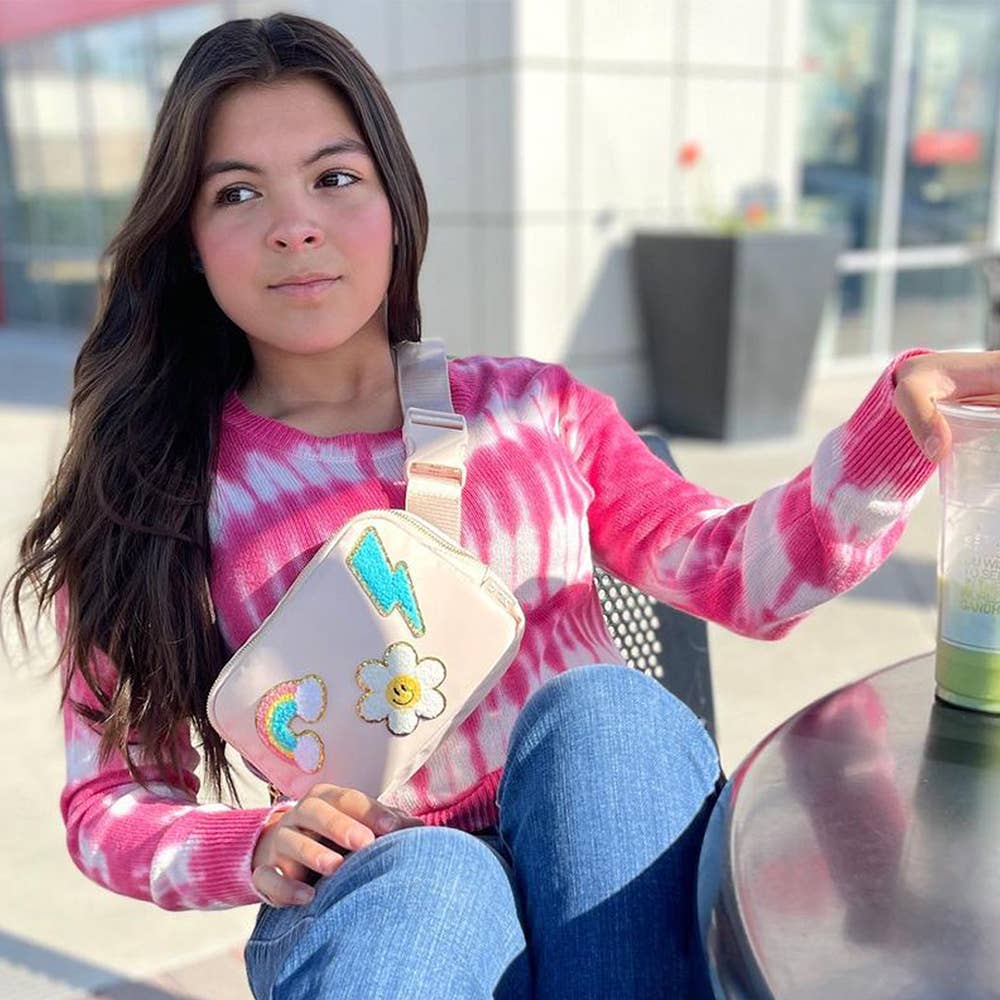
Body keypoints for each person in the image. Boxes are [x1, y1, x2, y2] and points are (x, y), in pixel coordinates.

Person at [3, 11, 998, 1000]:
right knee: (437, 878)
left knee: (607, 714)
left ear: (395, 202)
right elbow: (109, 801)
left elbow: (741, 576)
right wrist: (254, 841)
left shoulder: (532, 412)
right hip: (383, 902)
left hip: (600, 853)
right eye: (237, 192)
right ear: (189, 241)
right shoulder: (161, 489)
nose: (294, 224)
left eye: (334, 178)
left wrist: (897, 434)